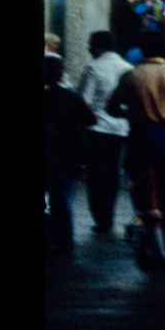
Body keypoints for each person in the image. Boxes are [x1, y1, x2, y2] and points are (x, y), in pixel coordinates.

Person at [108, 30, 165, 269]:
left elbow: (113, 107)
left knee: (146, 194)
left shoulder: (132, 76)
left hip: (142, 138)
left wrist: (134, 112)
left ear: (143, 50)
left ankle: (158, 247)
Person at [76, 30, 133, 234]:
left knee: (96, 173)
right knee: (112, 173)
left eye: (91, 45)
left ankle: (101, 217)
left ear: (98, 46)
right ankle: (109, 213)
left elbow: (83, 100)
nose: (89, 49)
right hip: (120, 128)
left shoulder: (93, 68)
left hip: (97, 127)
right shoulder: (127, 67)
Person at [44, 55, 95, 254]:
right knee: (63, 197)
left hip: (51, 153)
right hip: (67, 154)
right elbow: (89, 120)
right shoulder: (72, 97)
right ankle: (64, 240)